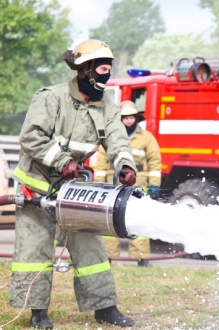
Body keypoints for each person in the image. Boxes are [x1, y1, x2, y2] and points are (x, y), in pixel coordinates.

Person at [10, 39, 137, 329]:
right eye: (102, 69)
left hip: (74, 189)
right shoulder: (51, 98)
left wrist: (126, 164)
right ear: (85, 69)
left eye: (109, 69)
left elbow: (117, 139)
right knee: (34, 251)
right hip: (37, 187)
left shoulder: (107, 107)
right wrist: (62, 160)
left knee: (91, 248)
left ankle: (104, 308)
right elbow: (31, 137)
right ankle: (37, 312)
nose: (106, 75)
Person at [95, 100, 162, 267]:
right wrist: (99, 183)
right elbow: (102, 161)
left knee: (137, 221)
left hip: (137, 186)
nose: (129, 120)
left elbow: (155, 162)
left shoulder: (146, 137)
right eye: (125, 117)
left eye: (131, 117)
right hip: (113, 184)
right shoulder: (111, 136)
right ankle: (107, 257)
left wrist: (154, 184)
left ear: (136, 118)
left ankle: (142, 258)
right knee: (110, 221)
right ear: (120, 119)